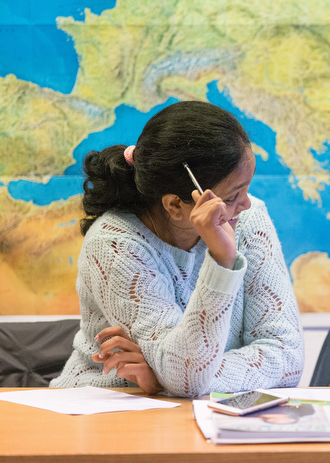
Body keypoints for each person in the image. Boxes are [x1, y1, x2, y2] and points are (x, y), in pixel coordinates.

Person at [50, 101, 304, 397]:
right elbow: (186, 378)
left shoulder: (247, 218)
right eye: (234, 195)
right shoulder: (114, 244)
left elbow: (286, 359)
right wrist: (222, 261)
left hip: (203, 411)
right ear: (174, 205)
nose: (246, 204)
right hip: (105, 406)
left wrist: (168, 379)